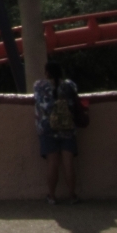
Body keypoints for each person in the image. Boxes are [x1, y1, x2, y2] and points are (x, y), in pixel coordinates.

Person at [33, 61, 80, 205]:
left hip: (48, 130)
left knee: (52, 164)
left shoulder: (40, 86)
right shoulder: (70, 85)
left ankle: (52, 196)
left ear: (47, 72)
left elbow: (40, 104)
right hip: (67, 129)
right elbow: (74, 104)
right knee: (68, 164)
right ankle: (72, 195)